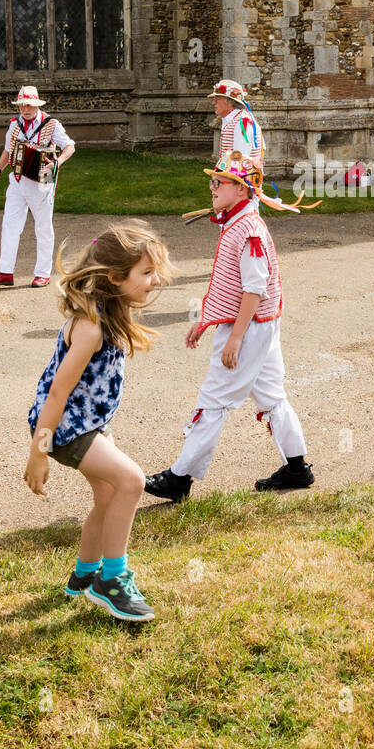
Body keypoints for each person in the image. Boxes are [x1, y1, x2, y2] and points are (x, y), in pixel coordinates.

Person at [144, 151, 314, 502]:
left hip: (250, 326)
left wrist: (235, 338)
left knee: (214, 399)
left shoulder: (248, 229)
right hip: (257, 324)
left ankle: (179, 478)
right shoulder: (237, 222)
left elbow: (255, 287)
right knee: (271, 395)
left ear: (240, 189)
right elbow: (229, 284)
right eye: (213, 181)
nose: (212, 188)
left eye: (218, 182)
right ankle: (297, 467)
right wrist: (205, 321)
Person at [25, 221, 174, 621]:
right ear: (114, 278)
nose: (155, 280)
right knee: (131, 480)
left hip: (87, 424)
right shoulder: (90, 327)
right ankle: (112, 579)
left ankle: (84, 575)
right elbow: (56, 394)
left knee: (108, 496)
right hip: (66, 429)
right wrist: (38, 454)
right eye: (146, 273)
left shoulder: (110, 310)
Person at [0, 87, 75, 288]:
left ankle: (42, 273)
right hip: (17, 179)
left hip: (44, 179)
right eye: (22, 105)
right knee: (9, 225)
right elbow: (8, 150)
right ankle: (5, 272)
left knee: (43, 227)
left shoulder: (51, 124)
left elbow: (70, 146)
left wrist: (57, 162)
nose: (25, 109)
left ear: (37, 105)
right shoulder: (14, 125)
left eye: (29, 105)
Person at [208, 77, 266, 170]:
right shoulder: (233, 119)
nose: (213, 102)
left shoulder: (242, 123)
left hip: (242, 182)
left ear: (230, 101)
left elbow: (240, 161)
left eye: (217, 98)